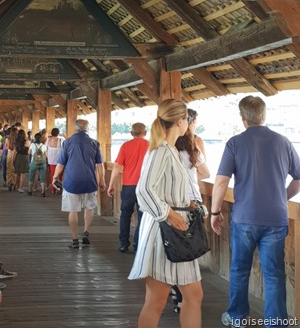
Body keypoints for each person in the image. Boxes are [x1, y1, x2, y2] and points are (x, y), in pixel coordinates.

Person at [211, 95, 300, 326]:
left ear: (243, 119)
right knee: (274, 275)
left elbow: (221, 182)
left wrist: (214, 212)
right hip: (276, 219)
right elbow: (299, 178)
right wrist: (283, 196)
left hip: (244, 218)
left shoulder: (235, 143)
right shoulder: (283, 142)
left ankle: (238, 318)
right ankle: (276, 323)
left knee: (240, 270)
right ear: (264, 115)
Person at [128, 99, 203, 328]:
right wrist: (169, 214)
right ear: (181, 122)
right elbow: (144, 190)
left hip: (175, 235)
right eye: (187, 122)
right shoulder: (160, 151)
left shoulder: (169, 150)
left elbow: (163, 189)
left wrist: (186, 202)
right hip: (163, 235)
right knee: (157, 301)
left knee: (193, 296)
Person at [170, 108, 210, 314]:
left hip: (172, 204)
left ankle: (176, 291)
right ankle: (183, 296)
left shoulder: (168, 147)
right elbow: (206, 172)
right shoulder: (193, 145)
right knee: (189, 250)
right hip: (191, 203)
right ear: (187, 123)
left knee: (175, 248)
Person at [53, 119, 106, 248]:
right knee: (89, 207)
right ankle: (86, 232)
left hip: (72, 181)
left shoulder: (68, 142)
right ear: (87, 128)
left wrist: (55, 177)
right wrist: (103, 181)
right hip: (89, 180)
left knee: (73, 210)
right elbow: (100, 165)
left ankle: (75, 239)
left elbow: (60, 164)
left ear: (75, 128)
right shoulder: (94, 143)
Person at [107, 122, 149, 254]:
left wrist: (111, 184)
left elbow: (117, 166)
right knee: (143, 216)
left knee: (125, 215)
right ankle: (138, 245)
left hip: (128, 186)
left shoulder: (125, 146)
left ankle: (123, 244)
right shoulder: (151, 146)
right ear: (145, 133)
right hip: (145, 187)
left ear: (131, 133)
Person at [46, 127, 65, 194]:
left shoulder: (48, 140)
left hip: (51, 160)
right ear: (58, 133)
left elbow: (46, 149)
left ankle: (53, 189)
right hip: (59, 160)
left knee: (52, 174)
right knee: (59, 174)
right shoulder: (61, 140)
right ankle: (58, 188)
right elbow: (64, 149)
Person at [28, 132, 47, 196]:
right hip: (42, 163)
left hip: (34, 162)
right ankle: (43, 192)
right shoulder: (43, 146)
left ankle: (30, 191)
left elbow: (29, 153)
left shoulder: (32, 145)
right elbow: (45, 155)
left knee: (31, 177)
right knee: (42, 178)